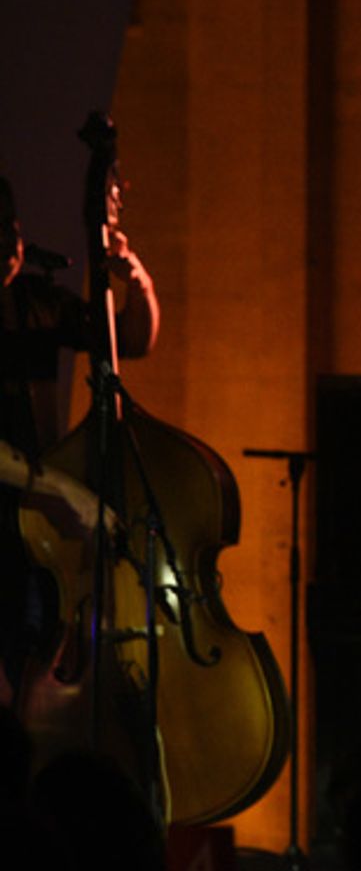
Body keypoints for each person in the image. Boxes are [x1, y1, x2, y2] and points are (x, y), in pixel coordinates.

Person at [0, 171, 160, 704]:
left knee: (35, 644)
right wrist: (65, 491)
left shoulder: (35, 302)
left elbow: (130, 340)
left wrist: (132, 277)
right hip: (31, 503)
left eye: (11, 234)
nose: (8, 250)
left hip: (35, 525)